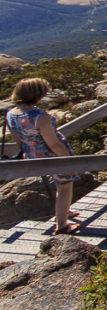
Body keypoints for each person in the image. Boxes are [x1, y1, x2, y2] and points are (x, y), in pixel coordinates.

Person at [6, 78, 81, 234]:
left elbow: (18, 140)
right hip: (53, 156)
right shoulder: (40, 117)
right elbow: (53, 143)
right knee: (64, 187)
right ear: (37, 95)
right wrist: (68, 160)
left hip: (33, 155)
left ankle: (64, 211)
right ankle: (62, 225)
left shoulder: (11, 114)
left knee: (60, 186)